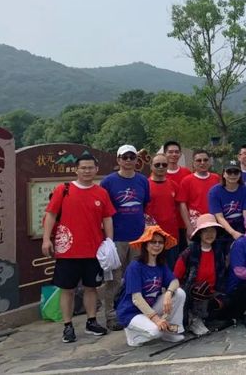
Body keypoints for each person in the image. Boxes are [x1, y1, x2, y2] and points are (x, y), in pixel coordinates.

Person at [42, 153, 115, 343]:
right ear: (76, 169)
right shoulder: (64, 189)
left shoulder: (101, 193)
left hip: (94, 250)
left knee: (92, 288)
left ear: (96, 170)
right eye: (83, 168)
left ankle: (91, 321)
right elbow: (51, 214)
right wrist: (46, 239)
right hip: (68, 251)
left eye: (90, 167)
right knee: (67, 289)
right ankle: (68, 326)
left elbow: (107, 218)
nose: (87, 171)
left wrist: (109, 242)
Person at [100, 144, 151, 331]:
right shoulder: (108, 182)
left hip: (138, 237)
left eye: (132, 157)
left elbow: (144, 205)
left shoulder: (142, 181)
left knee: (135, 276)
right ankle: (111, 315)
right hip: (116, 238)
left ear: (136, 160)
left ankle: (132, 310)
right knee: (114, 279)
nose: (128, 161)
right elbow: (103, 210)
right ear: (118, 160)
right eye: (125, 157)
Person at [116, 225, 186, 347]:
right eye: (153, 242)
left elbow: (175, 282)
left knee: (179, 293)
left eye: (160, 242)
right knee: (156, 332)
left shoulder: (161, 265)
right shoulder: (135, 266)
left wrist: (168, 293)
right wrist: (156, 319)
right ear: (145, 244)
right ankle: (133, 336)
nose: (157, 245)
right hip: (131, 312)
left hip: (150, 306)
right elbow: (136, 299)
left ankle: (170, 332)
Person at [173, 214, 230, 336]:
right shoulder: (189, 252)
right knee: (200, 291)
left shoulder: (218, 251)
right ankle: (193, 319)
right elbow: (176, 277)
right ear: (199, 234)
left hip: (213, 291)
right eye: (206, 231)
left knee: (228, 301)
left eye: (212, 231)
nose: (209, 234)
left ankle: (206, 317)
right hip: (193, 292)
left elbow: (222, 275)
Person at [147, 153, 182, 268]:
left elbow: (181, 208)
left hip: (171, 236)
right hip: (151, 236)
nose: (161, 167)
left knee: (170, 270)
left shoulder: (174, 185)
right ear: (151, 166)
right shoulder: (145, 185)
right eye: (157, 164)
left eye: (164, 164)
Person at [208, 161, 246, 251]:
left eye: (236, 172)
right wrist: (233, 232)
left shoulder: (245, 190)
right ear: (223, 174)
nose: (232, 175)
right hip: (222, 228)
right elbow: (219, 217)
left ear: (240, 174)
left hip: (240, 225)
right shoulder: (214, 191)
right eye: (229, 172)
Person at [177, 150, 221, 236]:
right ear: (193, 163)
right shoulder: (187, 181)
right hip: (196, 223)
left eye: (205, 160)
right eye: (199, 160)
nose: (202, 163)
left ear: (209, 162)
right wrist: (188, 226)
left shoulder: (216, 178)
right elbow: (182, 205)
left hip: (215, 222)